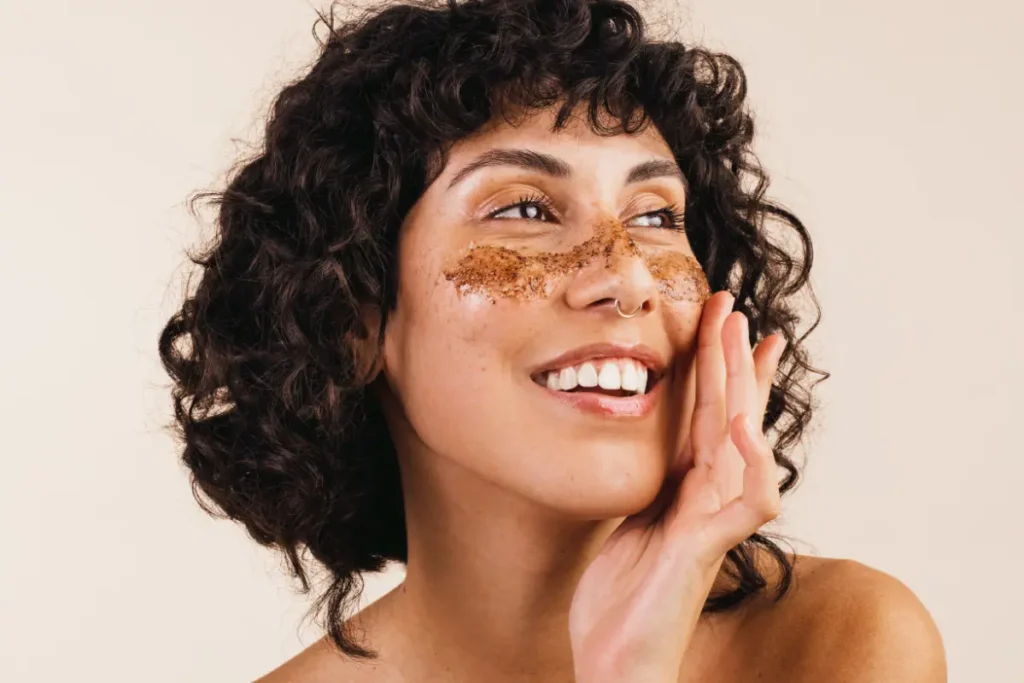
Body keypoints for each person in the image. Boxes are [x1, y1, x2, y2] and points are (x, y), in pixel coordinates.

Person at [158, 0, 946, 680]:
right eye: (525, 210)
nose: (629, 275)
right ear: (353, 321)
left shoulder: (839, 644)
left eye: (655, 215)